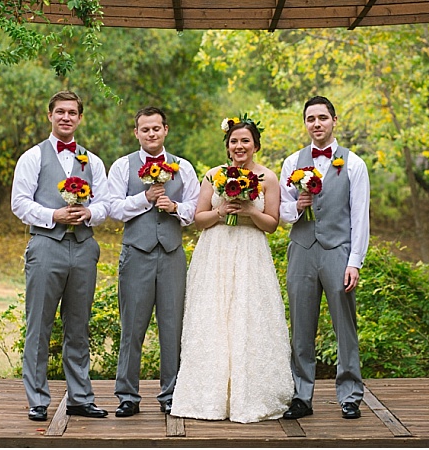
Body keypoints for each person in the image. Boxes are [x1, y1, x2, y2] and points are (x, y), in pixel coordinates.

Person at [171, 116, 293, 424]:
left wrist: (251, 210)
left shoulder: (268, 178)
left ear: (256, 146)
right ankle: (209, 398)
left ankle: (249, 396)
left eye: (245, 141)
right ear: (227, 146)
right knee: (212, 319)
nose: (239, 146)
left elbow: (272, 225)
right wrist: (219, 210)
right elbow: (198, 219)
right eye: (234, 141)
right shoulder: (214, 175)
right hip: (216, 251)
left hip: (250, 252)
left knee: (248, 318)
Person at [11, 90, 111, 421]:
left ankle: (80, 397)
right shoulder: (33, 157)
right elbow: (20, 202)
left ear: (80, 118)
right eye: (60, 112)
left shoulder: (92, 161)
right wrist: (53, 216)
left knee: (78, 326)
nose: (66, 117)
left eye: (72, 112)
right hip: (45, 246)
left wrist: (89, 214)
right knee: (39, 324)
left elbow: (106, 204)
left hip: (83, 247)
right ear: (50, 116)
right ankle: (37, 399)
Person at [279, 95, 370, 420]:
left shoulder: (354, 164)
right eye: (310, 119)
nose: (316, 124)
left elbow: (360, 216)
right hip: (301, 251)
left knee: (344, 326)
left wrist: (354, 261)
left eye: (322, 118)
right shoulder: (292, 162)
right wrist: (298, 206)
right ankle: (301, 395)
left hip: (337, 253)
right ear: (305, 124)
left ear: (334, 121)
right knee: (301, 328)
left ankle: (350, 395)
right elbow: (280, 211)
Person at [107, 107, 200, 417]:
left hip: (172, 254)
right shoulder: (123, 166)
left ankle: (171, 394)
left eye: (156, 128)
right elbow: (113, 209)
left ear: (165, 130)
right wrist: (144, 199)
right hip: (136, 255)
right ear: (137, 133)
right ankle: (127, 396)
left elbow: (195, 211)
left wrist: (173, 206)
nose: (151, 133)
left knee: (172, 328)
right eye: (145, 129)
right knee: (132, 327)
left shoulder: (183, 167)